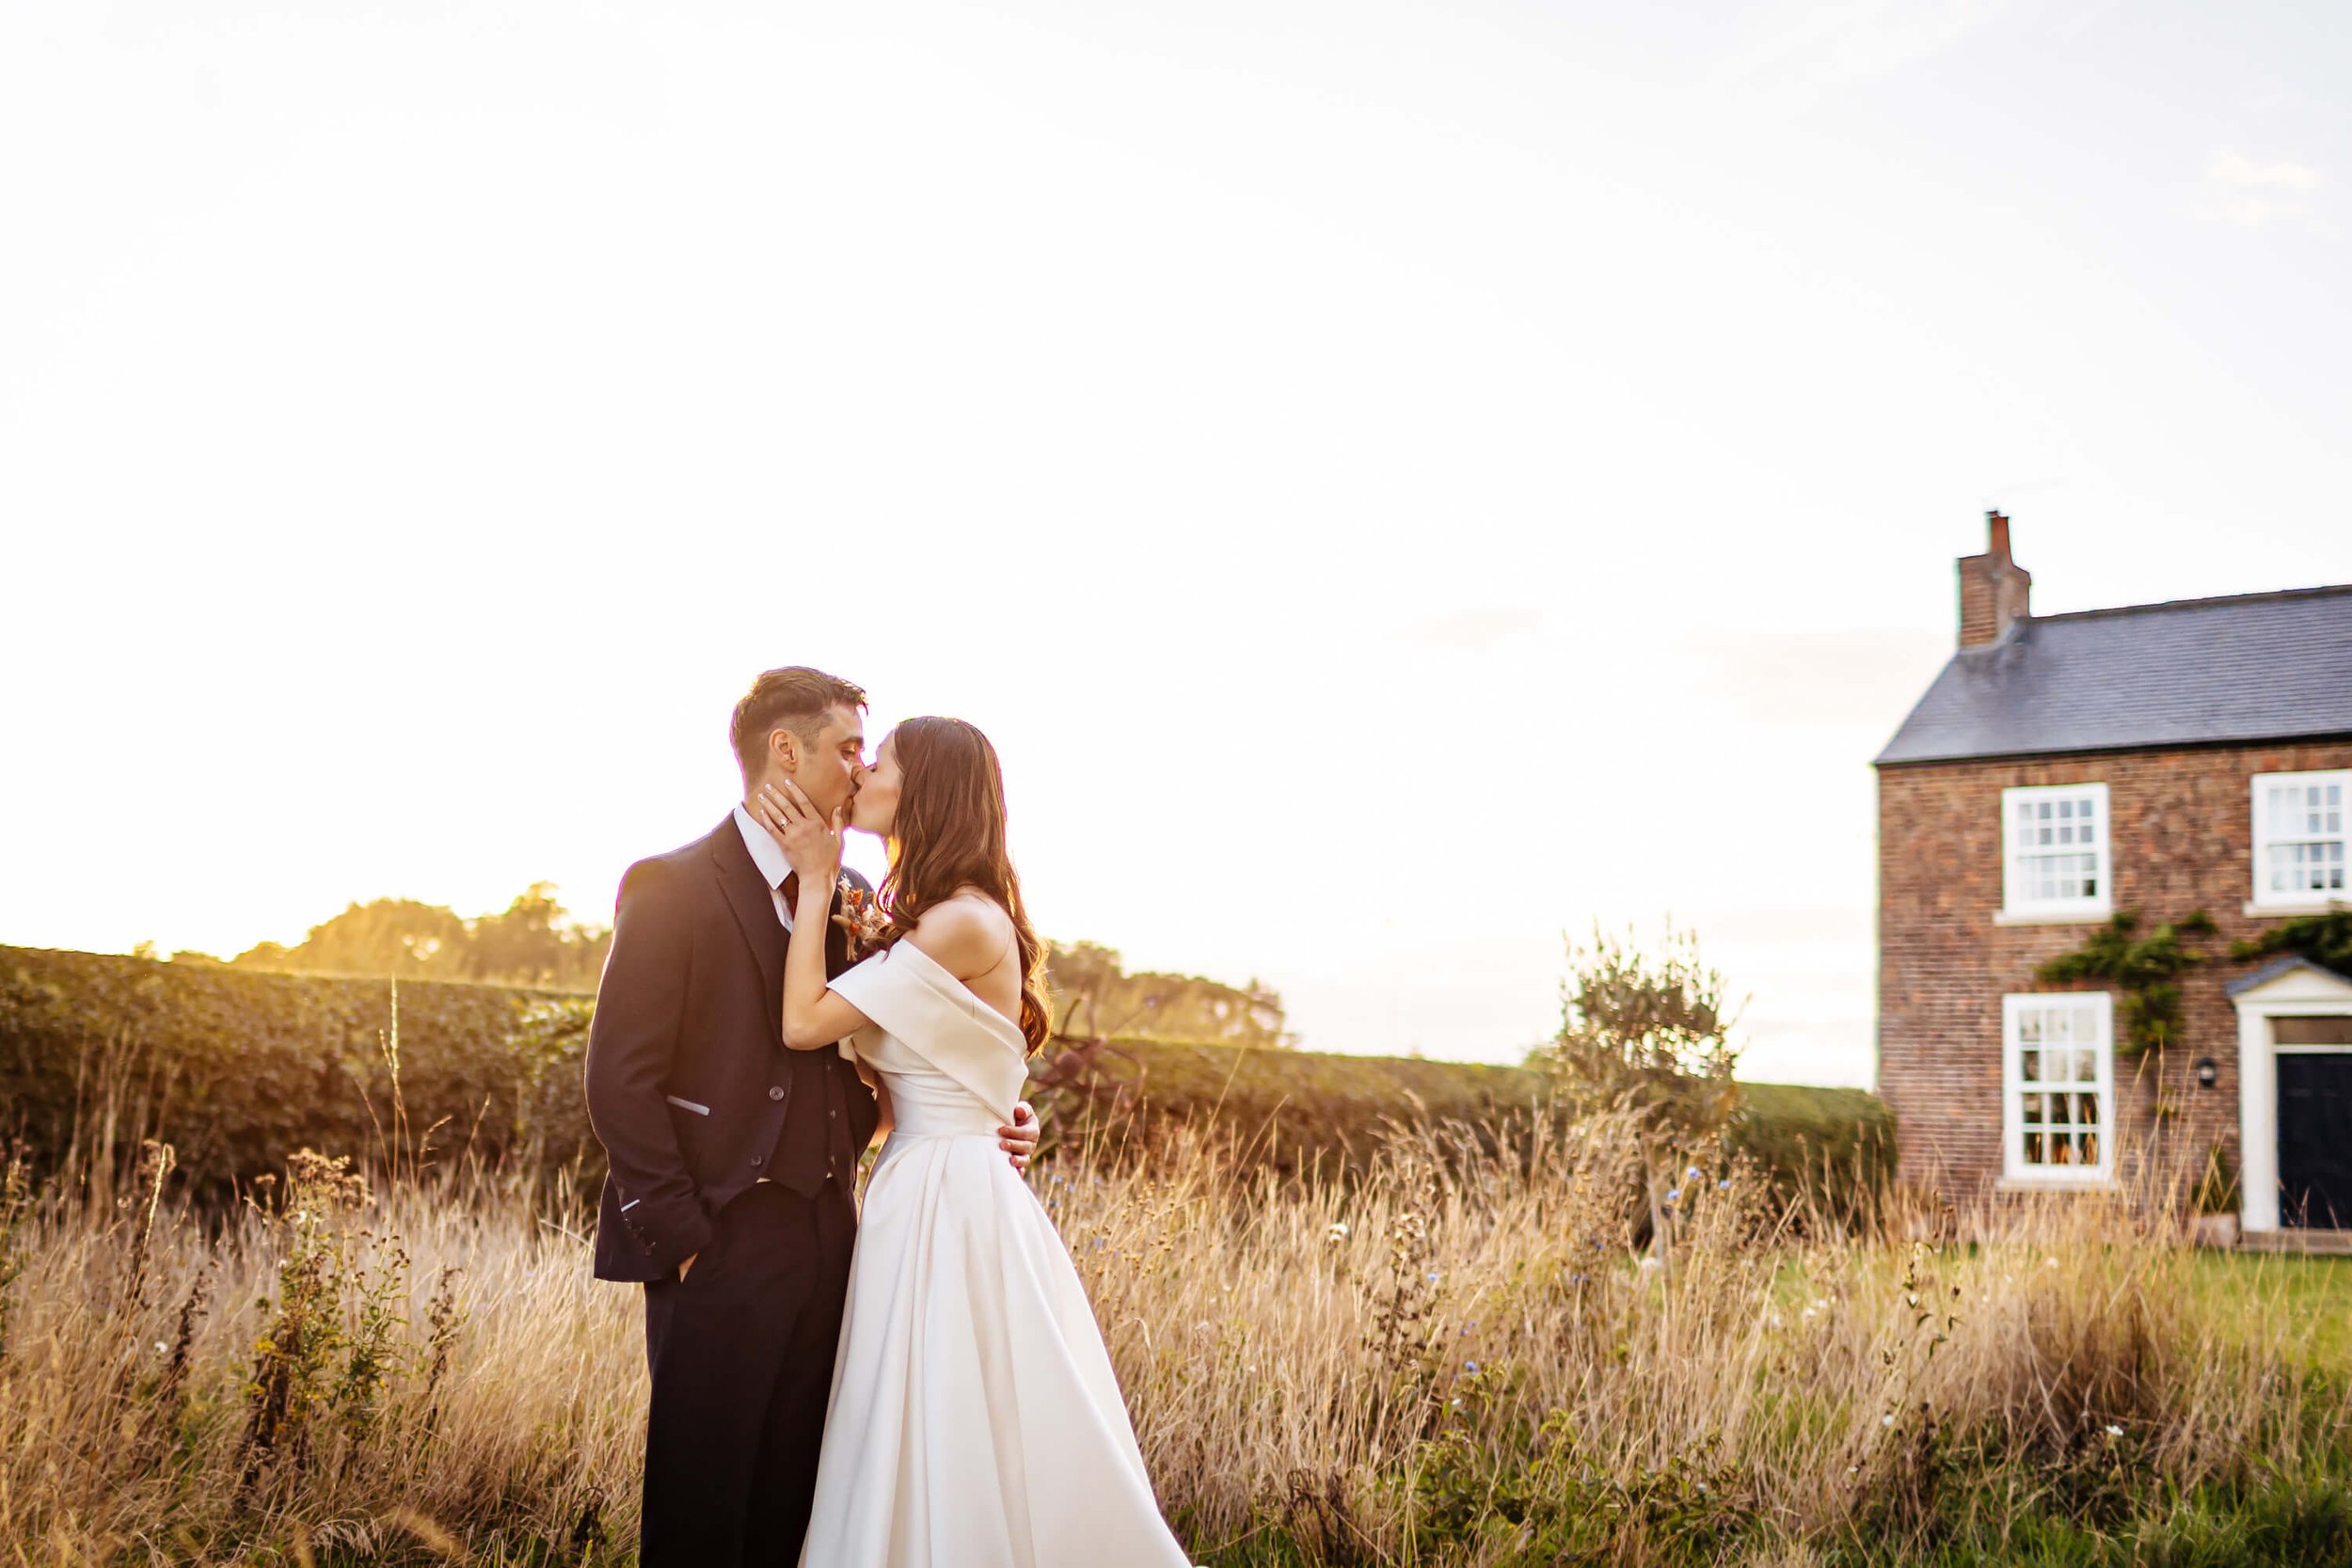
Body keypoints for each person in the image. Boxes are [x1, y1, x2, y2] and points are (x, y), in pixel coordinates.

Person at [583, 669, 1041, 1567]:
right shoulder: (671, 884)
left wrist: (986, 1115)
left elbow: (908, 1045)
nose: (859, 768)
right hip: (713, 1244)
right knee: (701, 1507)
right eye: (846, 750)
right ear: (784, 752)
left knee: (805, 1506)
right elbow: (618, 1081)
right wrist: (683, 1237)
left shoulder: (856, 893)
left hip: (840, 1247)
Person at [750, 715, 1195, 1567]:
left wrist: (813, 884)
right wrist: (1003, 1106)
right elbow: (910, 1082)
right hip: (920, 1181)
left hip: (948, 1198)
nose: (865, 769)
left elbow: (805, 1022)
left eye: (882, 761)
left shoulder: (962, 922)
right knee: (911, 1409)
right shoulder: (930, 916)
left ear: (926, 791)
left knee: (953, 1410)